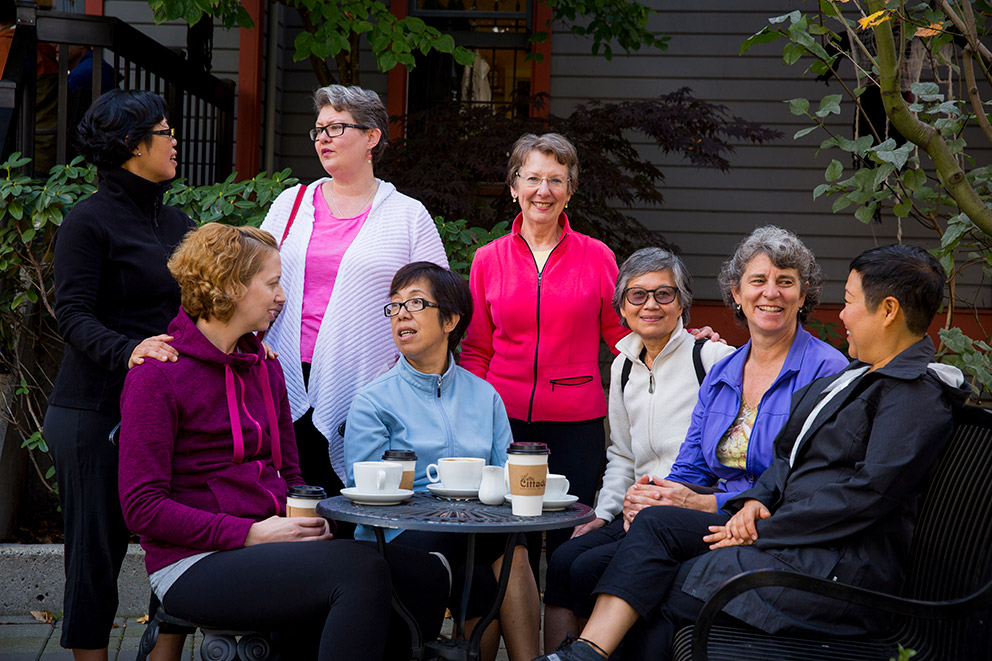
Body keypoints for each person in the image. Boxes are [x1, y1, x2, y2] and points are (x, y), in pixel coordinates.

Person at [535, 244, 970, 661]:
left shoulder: (911, 394)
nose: (842, 314)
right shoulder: (858, 378)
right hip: (796, 543)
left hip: (834, 571)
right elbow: (788, 454)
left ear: (888, 311)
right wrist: (757, 502)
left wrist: (763, 526)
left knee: (666, 585)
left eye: (851, 302)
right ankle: (584, 653)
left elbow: (868, 494)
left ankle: (586, 653)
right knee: (654, 529)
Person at [118, 224, 449, 661]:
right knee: (359, 570)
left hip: (270, 543)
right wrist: (251, 533)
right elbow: (143, 508)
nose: (282, 296)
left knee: (424, 571)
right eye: (272, 283)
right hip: (192, 563)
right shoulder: (158, 374)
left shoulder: (265, 366)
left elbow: (291, 474)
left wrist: (308, 520)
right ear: (231, 285)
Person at [542, 227, 848, 651]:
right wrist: (652, 494)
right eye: (758, 281)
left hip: (766, 522)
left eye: (785, 281)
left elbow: (805, 480)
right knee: (607, 556)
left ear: (803, 292)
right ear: (736, 293)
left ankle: (585, 653)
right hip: (711, 517)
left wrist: (703, 503)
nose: (771, 293)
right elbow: (688, 466)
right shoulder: (727, 371)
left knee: (642, 562)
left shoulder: (826, 369)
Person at [44, 89, 193, 660]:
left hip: (164, 410)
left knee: (180, 540)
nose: (174, 137)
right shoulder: (87, 220)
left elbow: (196, 309)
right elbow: (73, 314)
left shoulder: (176, 220)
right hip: (92, 413)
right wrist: (129, 350)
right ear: (134, 146)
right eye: (164, 130)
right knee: (94, 557)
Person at [344, 262, 540, 661]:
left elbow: (505, 477)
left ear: (450, 320)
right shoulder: (373, 400)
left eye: (415, 303)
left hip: (475, 530)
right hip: (399, 532)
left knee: (511, 549)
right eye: (395, 306)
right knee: (481, 565)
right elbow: (365, 491)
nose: (401, 314)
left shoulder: (484, 396)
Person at [260, 84, 447, 501]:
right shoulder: (291, 204)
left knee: (352, 503)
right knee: (290, 499)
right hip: (282, 373)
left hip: (368, 383)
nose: (322, 137)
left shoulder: (407, 215)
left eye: (336, 127)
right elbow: (252, 279)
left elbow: (436, 303)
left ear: (371, 137)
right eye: (318, 129)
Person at [460, 133, 629, 574]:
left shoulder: (598, 257)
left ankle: (565, 640)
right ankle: (507, 641)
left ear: (570, 190)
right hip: (503, 421)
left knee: (568, 544)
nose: (543, 190)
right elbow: (476, 348)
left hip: (577, 422)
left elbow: (623, 338)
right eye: (532, 178)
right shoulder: (487, 259)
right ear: (514, 187)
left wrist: (678, 346)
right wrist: (475, 414)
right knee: (505, 543)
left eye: (556, 180)